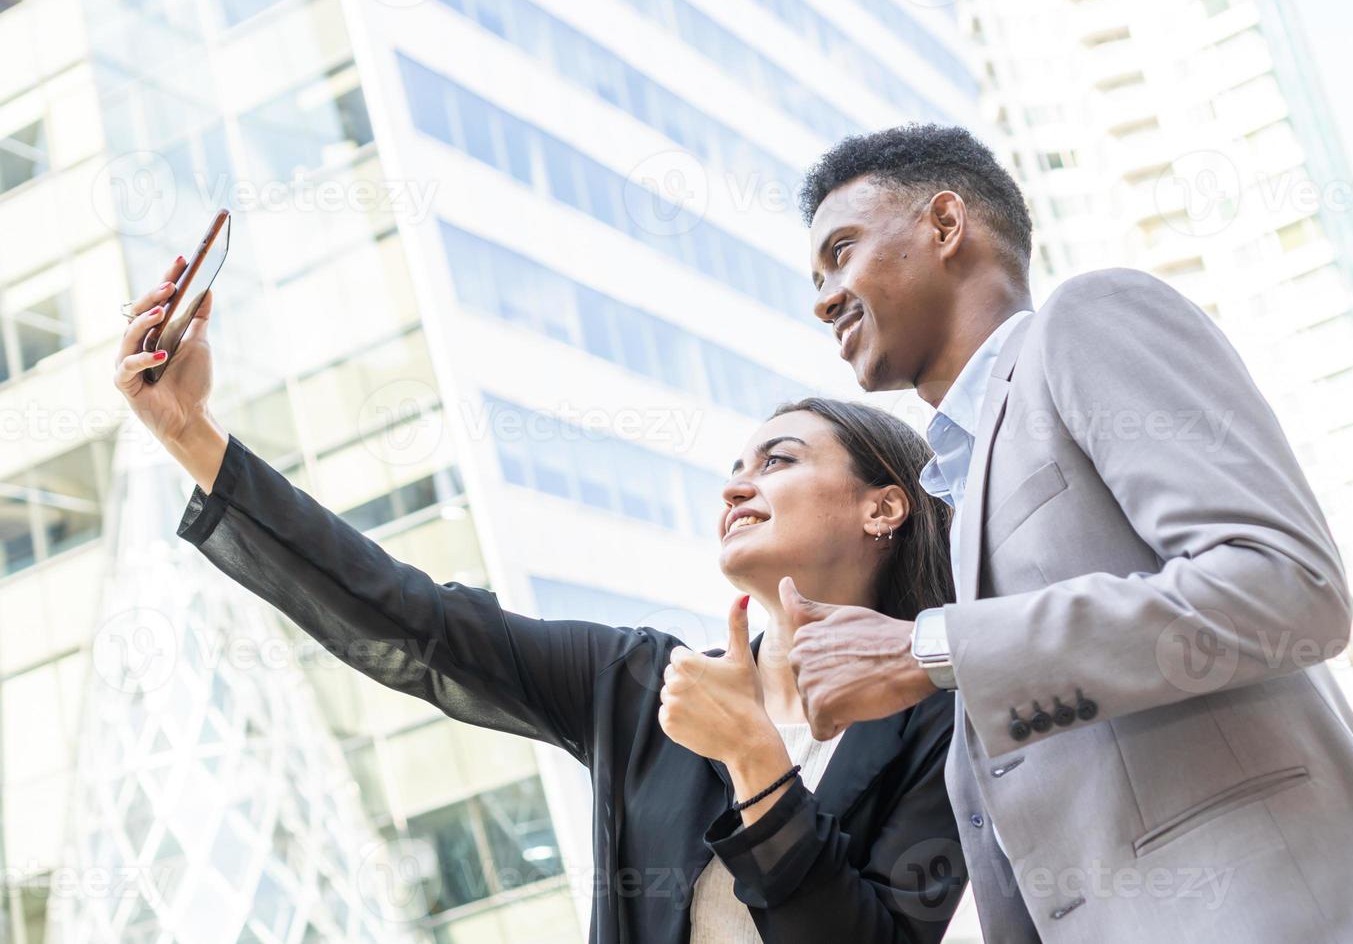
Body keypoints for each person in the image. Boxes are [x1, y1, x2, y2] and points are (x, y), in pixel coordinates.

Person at [111, 256, 967, 943]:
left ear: (883, 504)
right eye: (734, 470)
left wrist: (756, 761)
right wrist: (190, 431)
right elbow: (415, 622)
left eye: (777, 461)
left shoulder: (947, 717)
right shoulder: (640, 686)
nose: (737, 489)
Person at [781, 123, 1353, 942]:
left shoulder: (1085, 319)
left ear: (944, 224)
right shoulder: (959, 500)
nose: (823, 297)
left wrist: (927, 649)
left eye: (843, 250)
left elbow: (1285, 584)